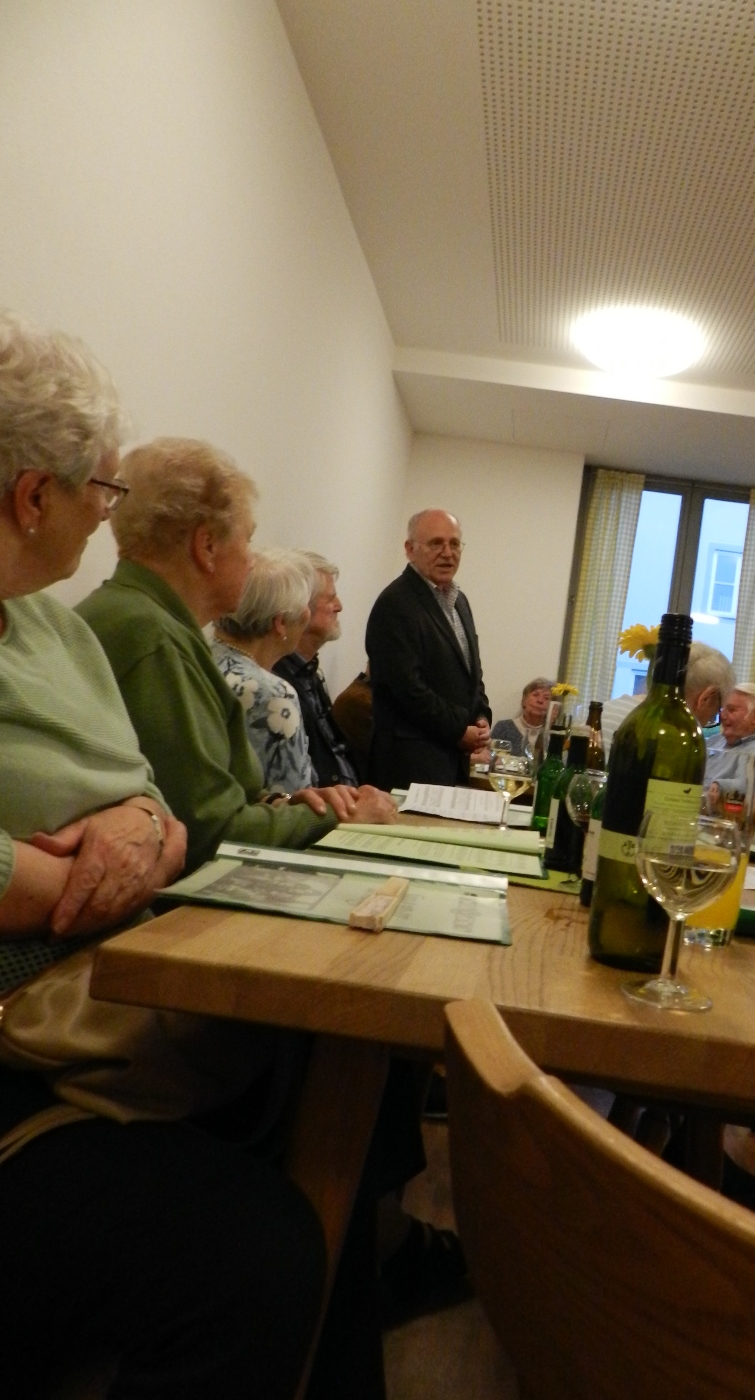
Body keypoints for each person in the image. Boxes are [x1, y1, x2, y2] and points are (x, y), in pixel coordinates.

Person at [0, 311, 325, 1398]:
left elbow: (161, 801)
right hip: (26, 1053)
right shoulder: (124, 626)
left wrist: (141, 829)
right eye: (98, 488)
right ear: (32, 495)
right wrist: (66, 885)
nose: (108, 512)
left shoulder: (54, 627)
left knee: (306, 1080)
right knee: (260, 1253)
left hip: (88, 1010)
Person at [77, 438, 395, 874]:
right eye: (248, 539)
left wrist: (284, 804)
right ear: (207, 546)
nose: (251, 560)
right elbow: (207, 831)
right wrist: (337, 817)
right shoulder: (153, 639)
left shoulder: (146, 621)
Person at [366, 508, 491, 789]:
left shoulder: (460, 602)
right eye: (436, 543)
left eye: (454, 543)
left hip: (449, 763)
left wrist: (481, 717)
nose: (448, 553)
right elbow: (408, 690)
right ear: (410, 550)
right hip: (409, 767)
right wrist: (460, 730)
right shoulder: (395, 603)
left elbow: (471, 675)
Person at [212, 547, 318, 791]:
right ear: (280, 623)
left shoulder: (198, 655)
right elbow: (296, 796)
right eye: (306, 605)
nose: (308, 615)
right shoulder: (273, 694)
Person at [273, 552, 363, 788]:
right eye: (330, 598)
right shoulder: (278, 682)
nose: (339, 606)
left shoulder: (308, 672)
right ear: (302, 607)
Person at [601, 641, 734, 750]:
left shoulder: (608, 709)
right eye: (712, 716)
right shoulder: (673, 736)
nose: (705, 725)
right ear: (706, 698)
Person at [704, 681, 755, 794]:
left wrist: (720, 786)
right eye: (722, 710)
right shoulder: (714, 741)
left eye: (731, 710)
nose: (722, 715)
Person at [491, 677, 552, 756]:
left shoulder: (552, 735)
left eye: (546, 698)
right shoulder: (503, 727)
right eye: (535, 695)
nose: (540, 700)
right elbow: (490, 758)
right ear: (523, 700)